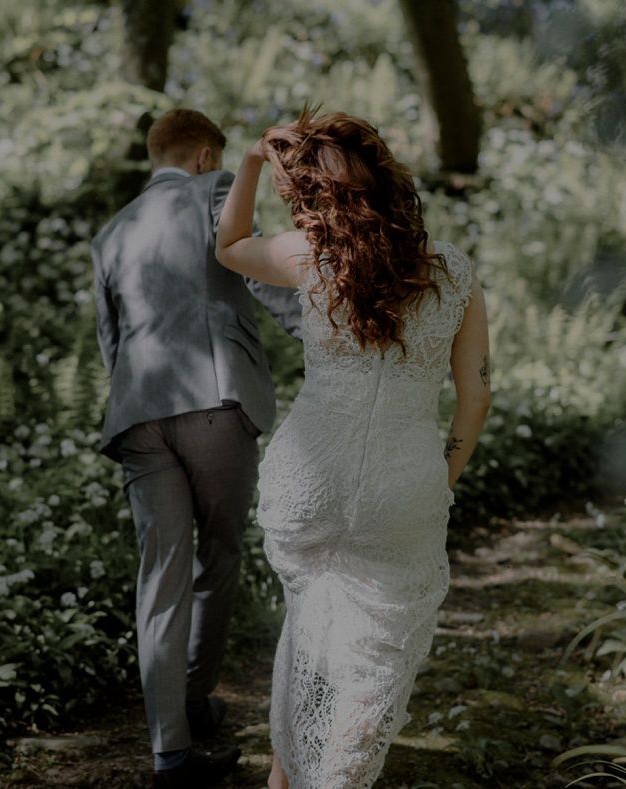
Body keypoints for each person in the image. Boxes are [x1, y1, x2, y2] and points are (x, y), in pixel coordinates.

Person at [215, 109, 492, 788]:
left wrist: (250, 162)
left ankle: (284, 779)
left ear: (319, 194)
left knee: (309, 637)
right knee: (371, 664)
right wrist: (443, 476)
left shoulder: (309, 256)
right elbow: (476, 395)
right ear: (392, 183)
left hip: (308, 479)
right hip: (403, 484)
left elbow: (230, 244)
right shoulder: (453, 273)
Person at [91, 108, 302, 789]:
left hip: (134, 414)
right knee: (219, 554)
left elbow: (110, 340)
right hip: (214, 396)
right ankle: (192, 697)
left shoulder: (109, 231)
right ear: (208, 155)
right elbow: (266, 274)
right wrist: (327, 327)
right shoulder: (215, 193)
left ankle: (170, 753)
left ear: (158, 157)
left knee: (160, 575)